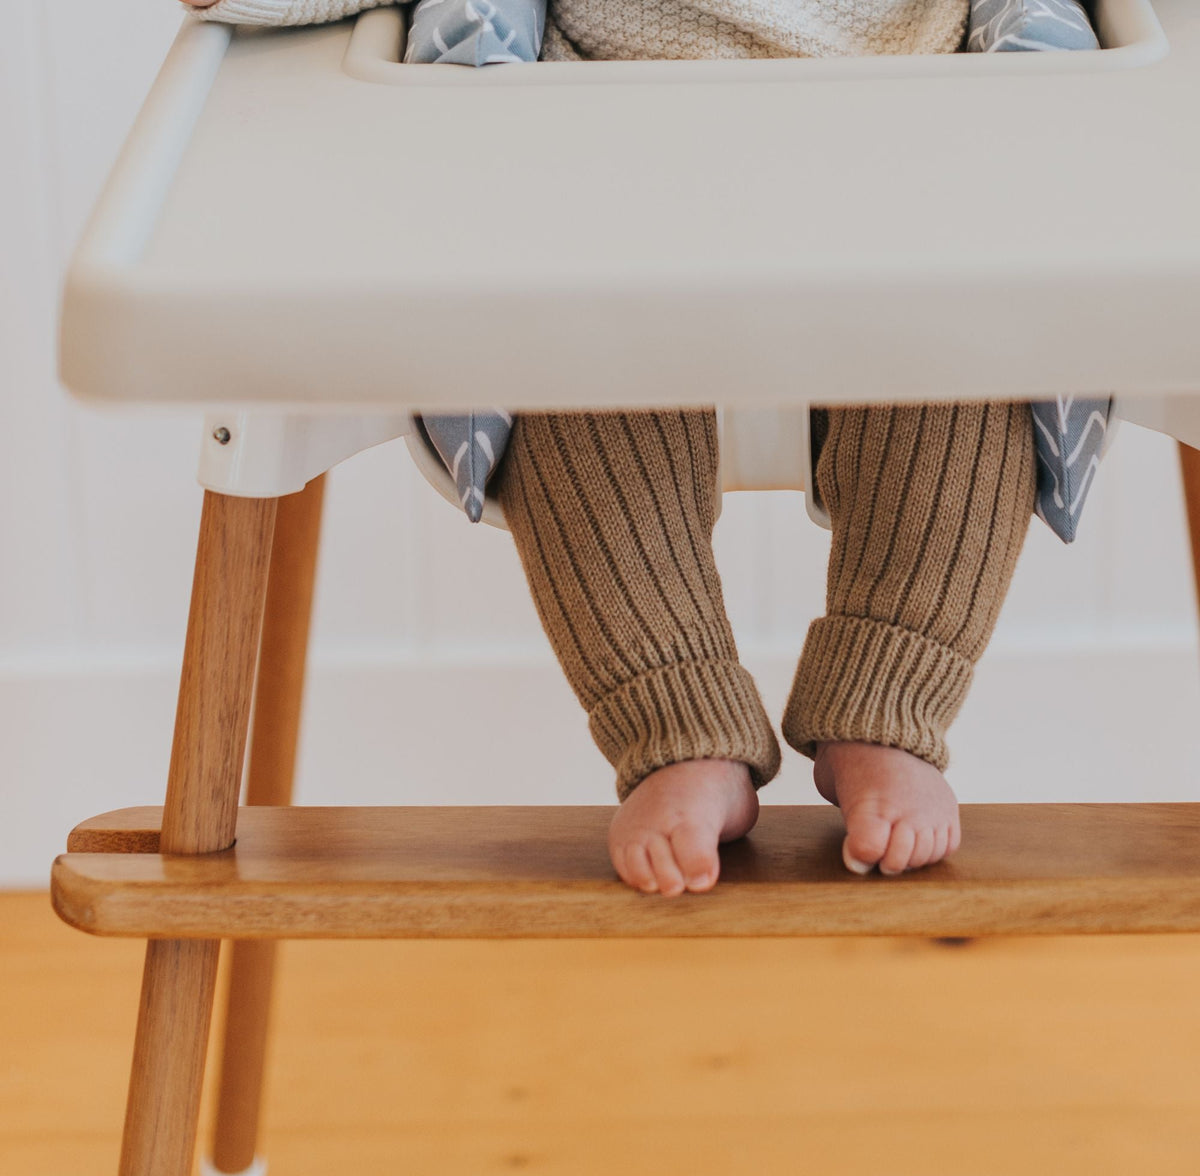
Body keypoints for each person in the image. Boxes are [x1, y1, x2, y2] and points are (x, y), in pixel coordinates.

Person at [182, 0, 1035, 896]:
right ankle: (679, 721)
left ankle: (887, 703)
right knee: (567, 377)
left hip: (914, 147)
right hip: (603, 162)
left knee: (981, 358)